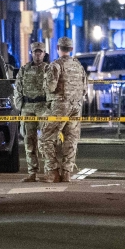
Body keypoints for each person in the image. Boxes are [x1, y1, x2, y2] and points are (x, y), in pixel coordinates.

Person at [38, 36, 87, 182]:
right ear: (71, 49)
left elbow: (50, 87)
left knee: (46, 138)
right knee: (71, 139)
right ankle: (66, 172)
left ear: (58, 48)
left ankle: (52, 172)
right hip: (76, 106)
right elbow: (85, 89)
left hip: (59, 106)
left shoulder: (55, 65)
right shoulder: (79, 66)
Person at [13, 41, 50, 182]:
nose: (38, 54)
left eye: (40, 52)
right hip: (28, 107)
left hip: (43, 107)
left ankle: (49, 171)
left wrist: (51, 106)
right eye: (35, 52)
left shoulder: (49, 69)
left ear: (44, 53)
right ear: (32, 53)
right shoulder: (24, 69)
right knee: (29, 140)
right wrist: (20, 106)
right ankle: (32, 172)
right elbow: (18, 88)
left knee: (46, 140)